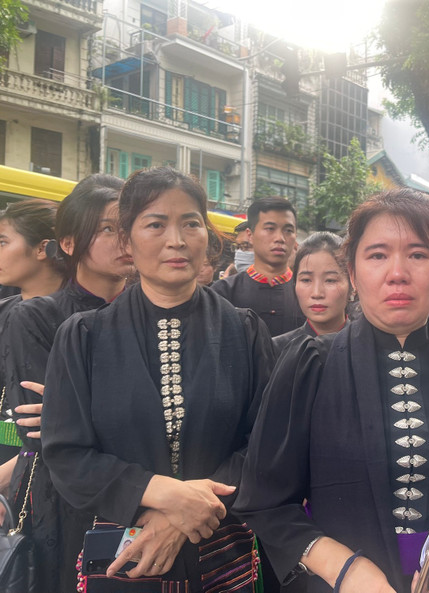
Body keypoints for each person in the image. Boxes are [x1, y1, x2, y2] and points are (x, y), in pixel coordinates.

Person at [234, 188, 429, 593]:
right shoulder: (310, 366)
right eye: (377, 255)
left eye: (418, 254)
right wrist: (347, 570)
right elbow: (264, 501)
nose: (398, 272)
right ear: (353, 273)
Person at [40, 167, 275, 590]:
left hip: (224, 550)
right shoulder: (84, 337)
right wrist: (161, 496)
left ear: (208, 236)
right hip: (124, 554)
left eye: (190, 223)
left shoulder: (245, 330)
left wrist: (182, 520)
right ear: (127, 241)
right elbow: (66, 454)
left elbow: (268, 443)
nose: (177, 240)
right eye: (156, 224)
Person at [4, 175, 132, 593]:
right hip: (62, 507)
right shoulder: (38, 317)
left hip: (143, 507)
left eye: (130, 226)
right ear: (70, 243)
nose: (124, 240)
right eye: (109, 229)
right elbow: (43, 436)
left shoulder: (152, 315)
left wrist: (78, 410)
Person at [0, 201, 63, 478]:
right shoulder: (5, 310)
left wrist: (6, 479)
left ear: (42, 249)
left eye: (2, 242)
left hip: (43, 479)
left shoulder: (80, 322)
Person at [212, 197, 305, 336]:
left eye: (288, 230)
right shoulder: (223, 292)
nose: (280, 238)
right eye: (270, 229)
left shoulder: (307, 292)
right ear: (250, 235)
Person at [273, 232, 350, 356]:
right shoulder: (276, 350)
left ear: (353, 284)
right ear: (294, 283)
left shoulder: (371, 349)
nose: (317, 293)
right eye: (306, 280)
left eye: (330, 280)